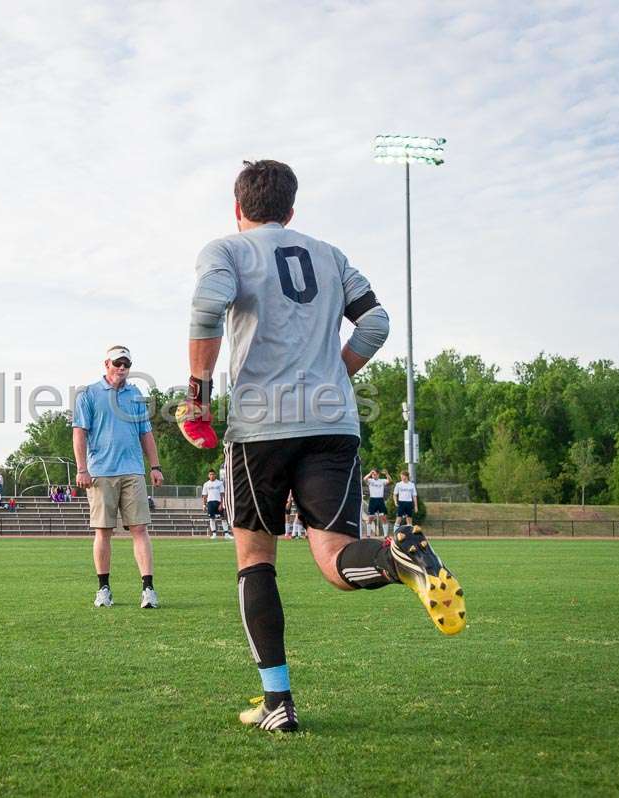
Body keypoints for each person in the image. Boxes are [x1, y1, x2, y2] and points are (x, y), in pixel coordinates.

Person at [180, 159, 465, 733]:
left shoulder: (226, 251)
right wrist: (334, 376)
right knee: (337, 560)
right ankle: (395, 556)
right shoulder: (331, 255)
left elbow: (208, 308)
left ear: (239, 208)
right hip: (333, 423)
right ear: (290, 210)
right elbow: (377, 324)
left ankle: (277, 702)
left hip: (262, 427)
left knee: (256, 560)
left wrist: (197, 397)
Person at [73, 344, 164, 609]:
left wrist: (155, 466)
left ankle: (148, 589)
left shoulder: (135, 395)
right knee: (103, 531)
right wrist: (82, 468)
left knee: (140, 530)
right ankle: (104, 589)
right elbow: (79, 433)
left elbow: (146, 433)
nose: (122, 368)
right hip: (101, 472)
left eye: (126, 365)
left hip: (133, 471)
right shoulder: (88, 394)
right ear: (107, 364)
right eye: (118, 364)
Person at [201, 469, 231, 539]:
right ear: (208, 476)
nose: (212, 476)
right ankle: (214, 534)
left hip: (218, 502)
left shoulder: (219, 483)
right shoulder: (206, 484)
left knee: (223, 518)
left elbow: (222, 494)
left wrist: (221, 504)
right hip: (210, 502)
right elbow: (204, 496)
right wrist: (204, 505)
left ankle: (226, 534)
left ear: (215, 475)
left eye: (213, 474)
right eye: (210, 474)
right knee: (212, 518)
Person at [364, 468, 390, 537]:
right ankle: (368, 535)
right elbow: (364, 479)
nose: (374, 476)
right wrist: (370, 473)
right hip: (373, 500)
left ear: (378, 475)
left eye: (375, 474)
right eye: (373, 474)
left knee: (383, 517)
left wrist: (387, 474)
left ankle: (385, 535)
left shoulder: (382, 481)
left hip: (380, 500)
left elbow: (389, 480)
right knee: (370, 518)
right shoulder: (370, 480)